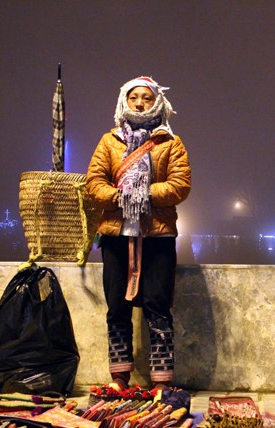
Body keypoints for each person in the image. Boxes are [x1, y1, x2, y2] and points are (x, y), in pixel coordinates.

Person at [86, 76, 191, 391]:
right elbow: (94, 182)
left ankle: (162, 382)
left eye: (147, 97)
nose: (141, 103)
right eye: (134, 98)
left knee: (158, 305)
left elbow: (180, 185)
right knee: (116, 306)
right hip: (116, 236)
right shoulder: (109, 142)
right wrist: (119, 195)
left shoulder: (171, 143)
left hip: (157, 237)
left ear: (157, 102)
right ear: (124, 102)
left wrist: (143, 192)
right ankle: (119, 379)